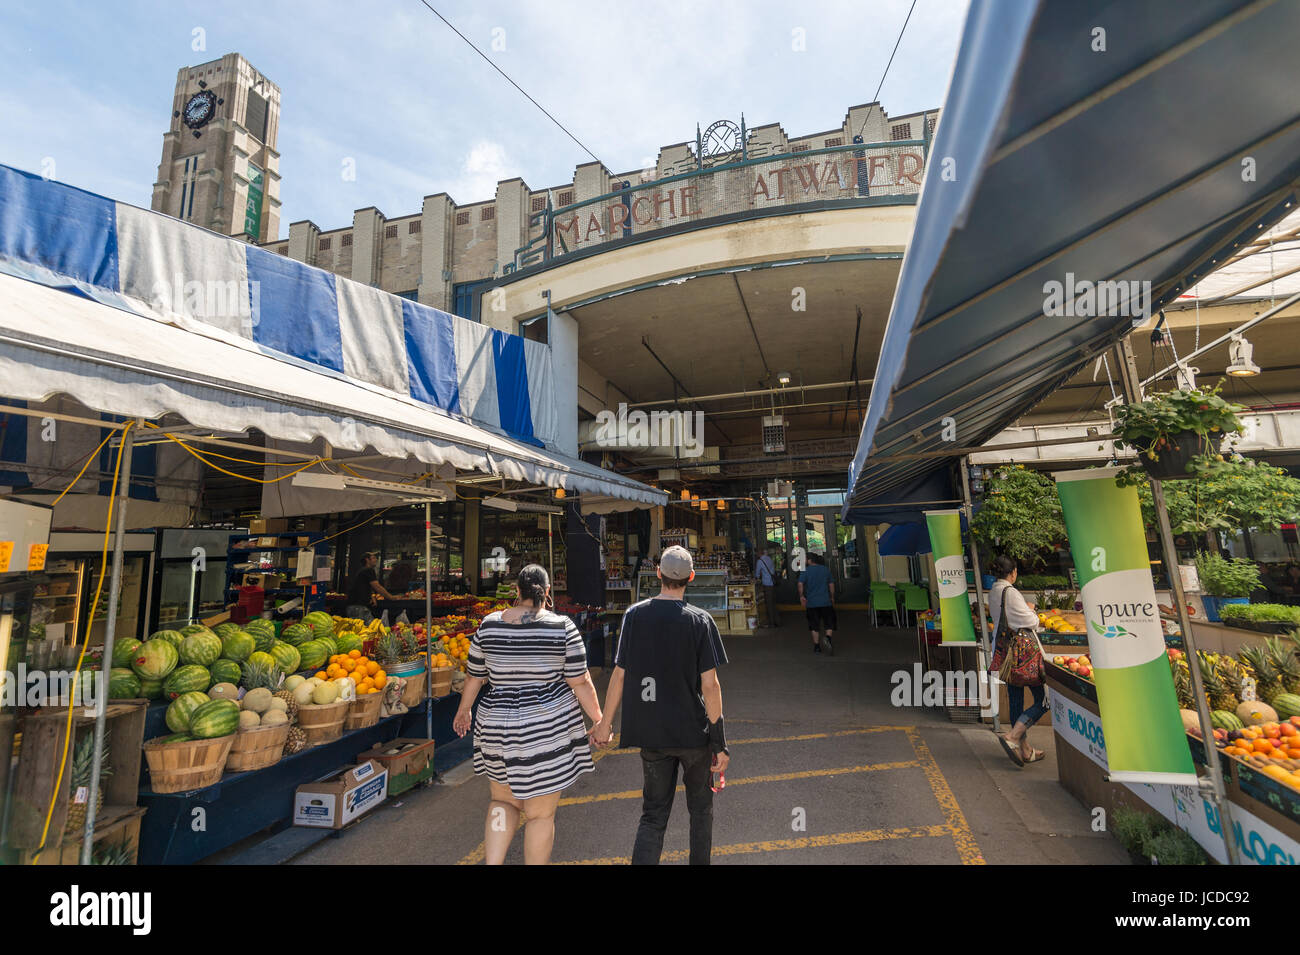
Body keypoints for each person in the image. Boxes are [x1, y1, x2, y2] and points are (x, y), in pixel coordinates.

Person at [453, 564, 601, 865]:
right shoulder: (562, 627)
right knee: (539, 815)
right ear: (547, 593)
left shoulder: (489, 625)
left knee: (502, 801)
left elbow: (474, 676)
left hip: (496, 728)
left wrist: (463, 711)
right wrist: (599, 720)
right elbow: (580, 681)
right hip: (544, 731)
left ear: (516, 591)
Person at [590, 545, 729, 865]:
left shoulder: (634, 616)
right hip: (694, 735)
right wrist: (719, 743)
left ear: (658, 575)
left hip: (652, 734)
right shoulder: (701, 621)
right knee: (701, 812)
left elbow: (620, 677)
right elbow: (711, 686)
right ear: (691, 578)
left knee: (653, 815)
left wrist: (604, 724)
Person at [988, 555, 1046, 766]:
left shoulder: (994, 590)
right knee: (1044, 699)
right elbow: (1030, 621)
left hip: (1005, 653)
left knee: (1015, 699)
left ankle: (1024, 749)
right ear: (1012, 573)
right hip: (1022, 653)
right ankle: (1013, 737)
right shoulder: (1010, 592)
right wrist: (1031, 609)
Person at [798, 552, 836, 655]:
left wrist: (801, 596)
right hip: (826, 602)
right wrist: (832, 597)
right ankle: (828, 638)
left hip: (812, 603)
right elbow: (831, 584)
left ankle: (817, 647)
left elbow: (800, 584)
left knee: (814, 625)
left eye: (806, 559)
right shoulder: (825, 569)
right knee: (829, 623)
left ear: (809, 560)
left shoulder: (805, 570)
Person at [346, 552, 394, 622]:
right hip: (358, 607)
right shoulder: (368, 570)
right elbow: (377, 587)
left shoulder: (362, 571)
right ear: (367, 560)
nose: (376, 560)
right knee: (369, 629)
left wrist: (372, 596)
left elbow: (364, 586)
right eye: (373, 558)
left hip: (354, 606)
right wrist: (391, 597)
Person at [756, 546, 780, 628]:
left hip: (767, 584)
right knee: (773, 603)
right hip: (773, 583)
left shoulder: (760, 561)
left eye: (757, 552)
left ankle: (771, 623)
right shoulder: (769, 559)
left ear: (759, 553)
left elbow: (757, 574)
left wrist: (756, 577)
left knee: (769, 604)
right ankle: (777, 621)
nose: (756, 554)